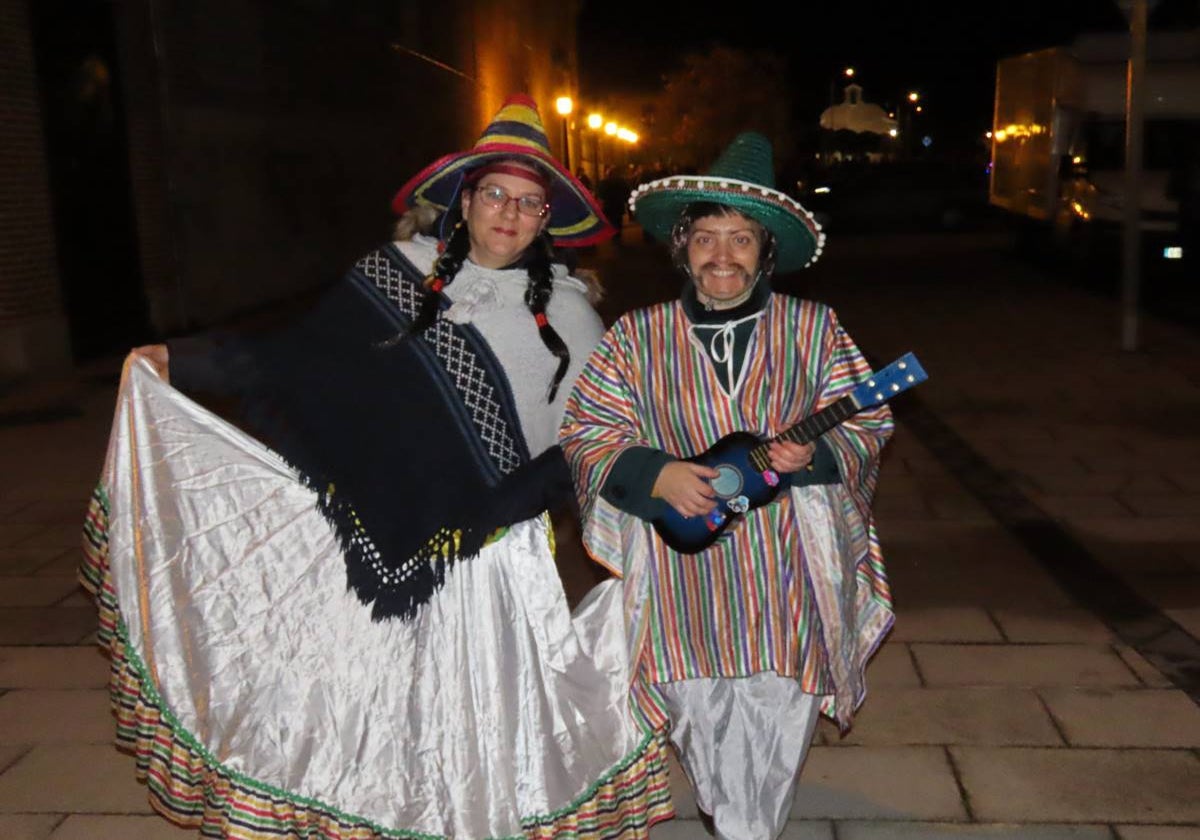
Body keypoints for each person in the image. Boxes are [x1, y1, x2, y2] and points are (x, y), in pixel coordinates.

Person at [80, 95, 673, 839]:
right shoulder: (391, 276)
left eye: (530, 202)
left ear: (548, 219)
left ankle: (478, 819)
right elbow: (293, 360)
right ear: (463, 200)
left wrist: (584, 493)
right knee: (381, 697)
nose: (510, 214)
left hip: (488, 547)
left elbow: (591, 438)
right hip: (372, 520)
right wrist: (183, 359)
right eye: (495, 194)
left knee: (478, 705)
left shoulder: (573, 314)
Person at [558, 132, 895, 840]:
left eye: (741, 239)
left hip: (784, 569)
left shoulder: (816, 329)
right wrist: (656, 473)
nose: (722, 256)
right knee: (699, 711)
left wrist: (822, 455)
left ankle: (750, 825)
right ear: (682, 248)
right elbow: (587, 433)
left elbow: (869, 421)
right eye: (706, 238)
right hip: (684, 579)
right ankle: (734, 813)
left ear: (765, 252)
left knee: (778, 710)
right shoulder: (634, 338)